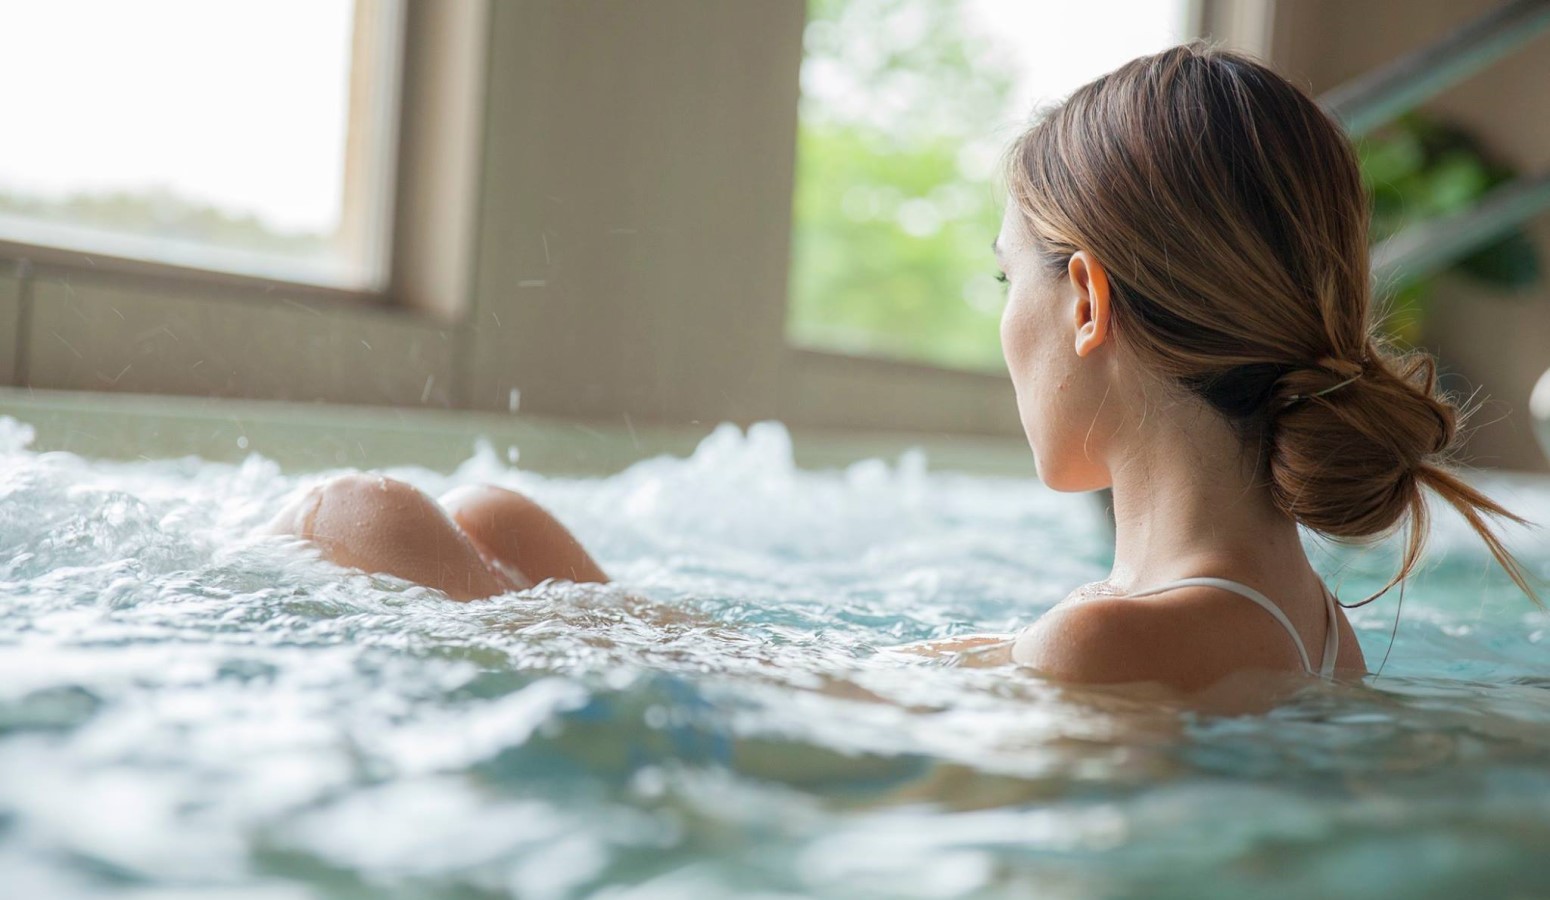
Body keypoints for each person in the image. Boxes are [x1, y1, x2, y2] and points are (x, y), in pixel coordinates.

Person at [261, 41, 1542, 694]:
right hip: (840, 705)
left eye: (1008, 279)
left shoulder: (1108, 639)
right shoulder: (1305, 625)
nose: (1007, 323)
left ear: (1084, 298)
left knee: (356, 516)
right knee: (497, 519)